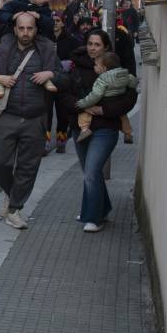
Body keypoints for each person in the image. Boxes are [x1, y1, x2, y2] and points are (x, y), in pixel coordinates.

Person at [0, 11, 62, 229]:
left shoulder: (47, 52)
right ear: (14, 29)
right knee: (0, 162)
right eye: (21, 28)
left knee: (27, 167)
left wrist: (50, 75)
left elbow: (66, 79)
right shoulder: (0, 51)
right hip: (7, 115)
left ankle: (14, 208)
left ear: (36, 29)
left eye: (30, 28)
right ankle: (11, 193)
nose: (25, 32)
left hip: (35, 117)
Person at [55, 29, 137, 233]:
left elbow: (129, 99)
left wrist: (104, 109)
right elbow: (64, 95)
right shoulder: (75, 66)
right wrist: (81, 106)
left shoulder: (115, 69)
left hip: (105, 127)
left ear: (106, 47)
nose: (93, 48)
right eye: (90, 43)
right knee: (91, 173)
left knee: (92, 171)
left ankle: (93, 217)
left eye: (97, 44)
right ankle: (103, 207)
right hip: (79, 126)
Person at [75, 51, 136, 144]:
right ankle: (128, 133)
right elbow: (133, 83)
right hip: (118, 98)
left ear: (104, 68)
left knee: (84, 113)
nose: (94, 67)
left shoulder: (102, 79)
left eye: (96, 65)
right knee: (123, 116)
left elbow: (95, 95)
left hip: (105, 100)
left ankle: (84, 129)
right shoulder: (126, 74)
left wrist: (82, 103)